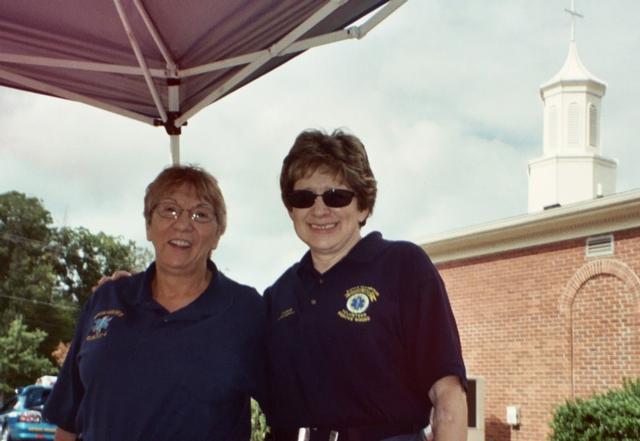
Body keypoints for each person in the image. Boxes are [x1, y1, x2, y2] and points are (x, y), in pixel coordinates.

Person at [264, 129, 467, 441]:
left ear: (364, 206)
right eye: (304, 198)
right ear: (291, 209)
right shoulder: (277, 296)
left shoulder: (405, 268)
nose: (320, 210)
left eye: (336, 196)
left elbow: (448, 396)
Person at [44, 165, 265, 441]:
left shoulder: (246, 311)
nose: (183, 223)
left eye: (201, 214)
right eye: (169, 210)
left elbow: (290, 408)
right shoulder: (106, 299)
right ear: (149, 225)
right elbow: (68, 423)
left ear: (218, 233)